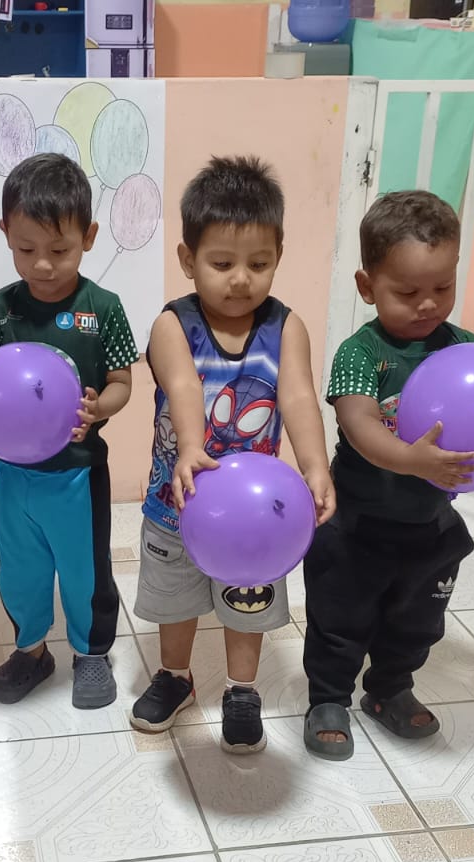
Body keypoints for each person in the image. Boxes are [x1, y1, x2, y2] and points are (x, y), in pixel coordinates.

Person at [302, 190, 474, 759]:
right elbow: (359, 425)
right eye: (407, 292)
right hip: (358, 523)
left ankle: (389, 690)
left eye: (442, 288)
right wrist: (412, 459)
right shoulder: (360, 354)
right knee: (340, 619)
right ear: (367, 286)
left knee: (417, 621)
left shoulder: (467, 349)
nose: (428, 305)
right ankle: (327, 697)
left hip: (429, 524)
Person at [128, 156, 334, 754]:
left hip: (256, 518)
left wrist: (315, 466)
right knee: (176, 596)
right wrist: (191, 446)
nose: (241, 279)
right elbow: (183, 387)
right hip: (178, 501)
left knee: (249, 600)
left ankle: (242, 689)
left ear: (278, 255)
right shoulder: (173, 324)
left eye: (259, 263)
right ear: (187, 258)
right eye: (222, 264)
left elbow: (298, 396)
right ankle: (175, 676)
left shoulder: (286, 328)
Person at [0, 153, 138, 711]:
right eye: (25, 249)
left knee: (84, 572)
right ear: (6, 234)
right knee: (21, 570)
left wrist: (97, 408)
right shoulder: (2, 308)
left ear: (89, 237)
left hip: (76, 475)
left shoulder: (102, 308)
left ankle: (91, 653)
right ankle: (31, 651)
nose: (42, 265)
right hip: (13, 476)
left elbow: (122, 383)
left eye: (59, 251)